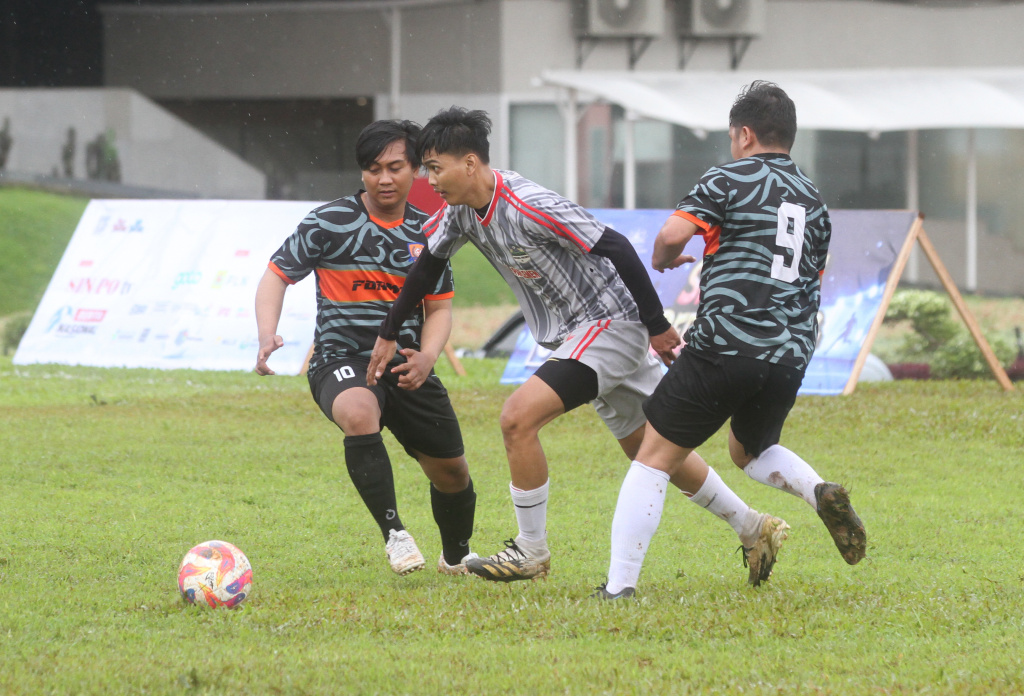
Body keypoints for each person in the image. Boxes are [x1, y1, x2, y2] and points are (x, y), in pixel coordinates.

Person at [367, 106, 786, 586]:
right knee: (650, 451)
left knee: (517, 419)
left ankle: (531, 550)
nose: (430, 181)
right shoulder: (461, 213)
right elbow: (427, 267)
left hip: (609, 323)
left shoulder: (528, 202)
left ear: (469, 164)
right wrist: (388, 330)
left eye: (435, 168)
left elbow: (617, 246)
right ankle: (753, 526)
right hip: (579, 335)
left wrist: (655, 325)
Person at [598, 81, 867, 599]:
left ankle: (620, 588)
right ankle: (818, 492)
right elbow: (813, 276)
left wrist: (662, 259)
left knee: (653, 456)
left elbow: (672, 237)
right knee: (749, 451)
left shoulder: (728, 177)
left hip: (727, 342)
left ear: (744, 135)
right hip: (789, 351)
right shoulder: (814, 198)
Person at [254, 119, 478, 577]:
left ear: (416, 169)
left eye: (395, 167)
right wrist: (266, 332)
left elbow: (439, 308)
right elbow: (276, 275)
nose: (384, 179)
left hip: (407, 364)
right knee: (358, 412)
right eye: (373, 169)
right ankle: (395, 534)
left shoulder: (432, 228)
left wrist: (429, 356)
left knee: (452, 474)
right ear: (362, 173)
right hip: (342, 359)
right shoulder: (328, 222)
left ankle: (455, 557)